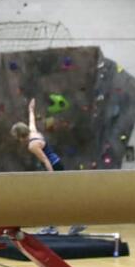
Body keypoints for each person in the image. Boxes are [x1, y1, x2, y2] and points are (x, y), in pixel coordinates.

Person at [11, 98, 86, 236]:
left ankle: (54, 227)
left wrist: (52, 177)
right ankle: (73, 223)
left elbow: (45, 160)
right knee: (58, 197)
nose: (19, 141)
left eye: (18, 138)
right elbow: (32, 121)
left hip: (53, 167)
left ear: (21, 136)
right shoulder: (33, 132)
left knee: (50, 197)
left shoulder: (32, 145)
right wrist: (31, 109)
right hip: (58, 164)